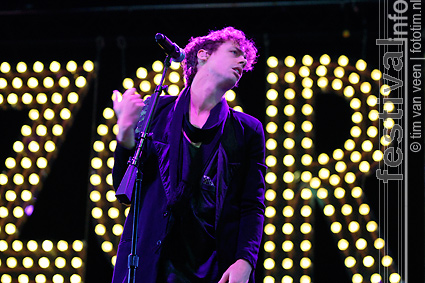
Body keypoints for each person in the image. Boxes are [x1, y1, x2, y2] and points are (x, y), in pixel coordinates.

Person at [111, 26, 266, 283]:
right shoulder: (156, 111)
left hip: (211, 266)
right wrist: (125, 135)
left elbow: (252, 205)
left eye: (245, 59)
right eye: (234, 52)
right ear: (203, 54)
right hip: (151, 266)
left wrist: (245, 260)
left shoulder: (247, 130)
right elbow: (124, 188)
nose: (242, 61)